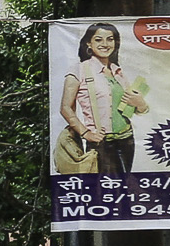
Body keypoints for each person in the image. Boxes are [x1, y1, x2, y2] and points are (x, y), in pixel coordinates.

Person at [59, 22, 149, 176]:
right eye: (99, 39)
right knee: (104, 190)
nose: (105, 44)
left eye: (110, 39)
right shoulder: (79, 70)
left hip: (127, 139)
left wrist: (141, 104)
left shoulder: (117, 71)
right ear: (89, 43)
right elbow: (65, 108)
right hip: (102, 142)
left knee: (124, 186)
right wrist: (86, 133)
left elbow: (133, 108)